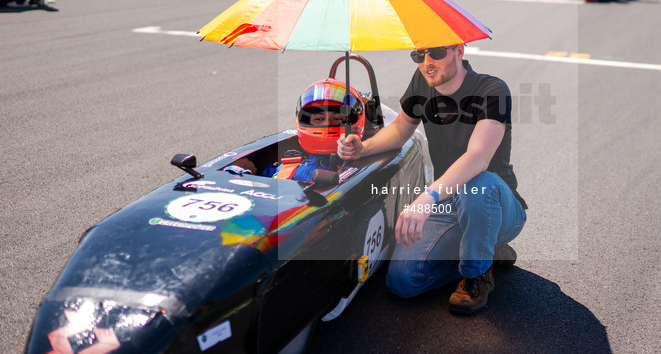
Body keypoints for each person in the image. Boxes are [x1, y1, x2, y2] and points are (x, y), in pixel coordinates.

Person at [337, 45, 527, 315]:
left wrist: (428, 197)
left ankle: (477, 274)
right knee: (403, 282)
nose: (426, 62)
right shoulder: (422, 82)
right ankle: (484, 252)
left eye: (436, 52)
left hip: (496, 206)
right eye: (418, 55)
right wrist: (362, 148)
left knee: (477, 184)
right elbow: (401, 129)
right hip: (448, 204)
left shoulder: (493, 90)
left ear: (458, 51)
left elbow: (478, 157)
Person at [224, 79, 363, 179]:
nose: (326, 125)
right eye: (319, 119)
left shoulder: (355, 168)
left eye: (337, 119)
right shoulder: (289, 162)